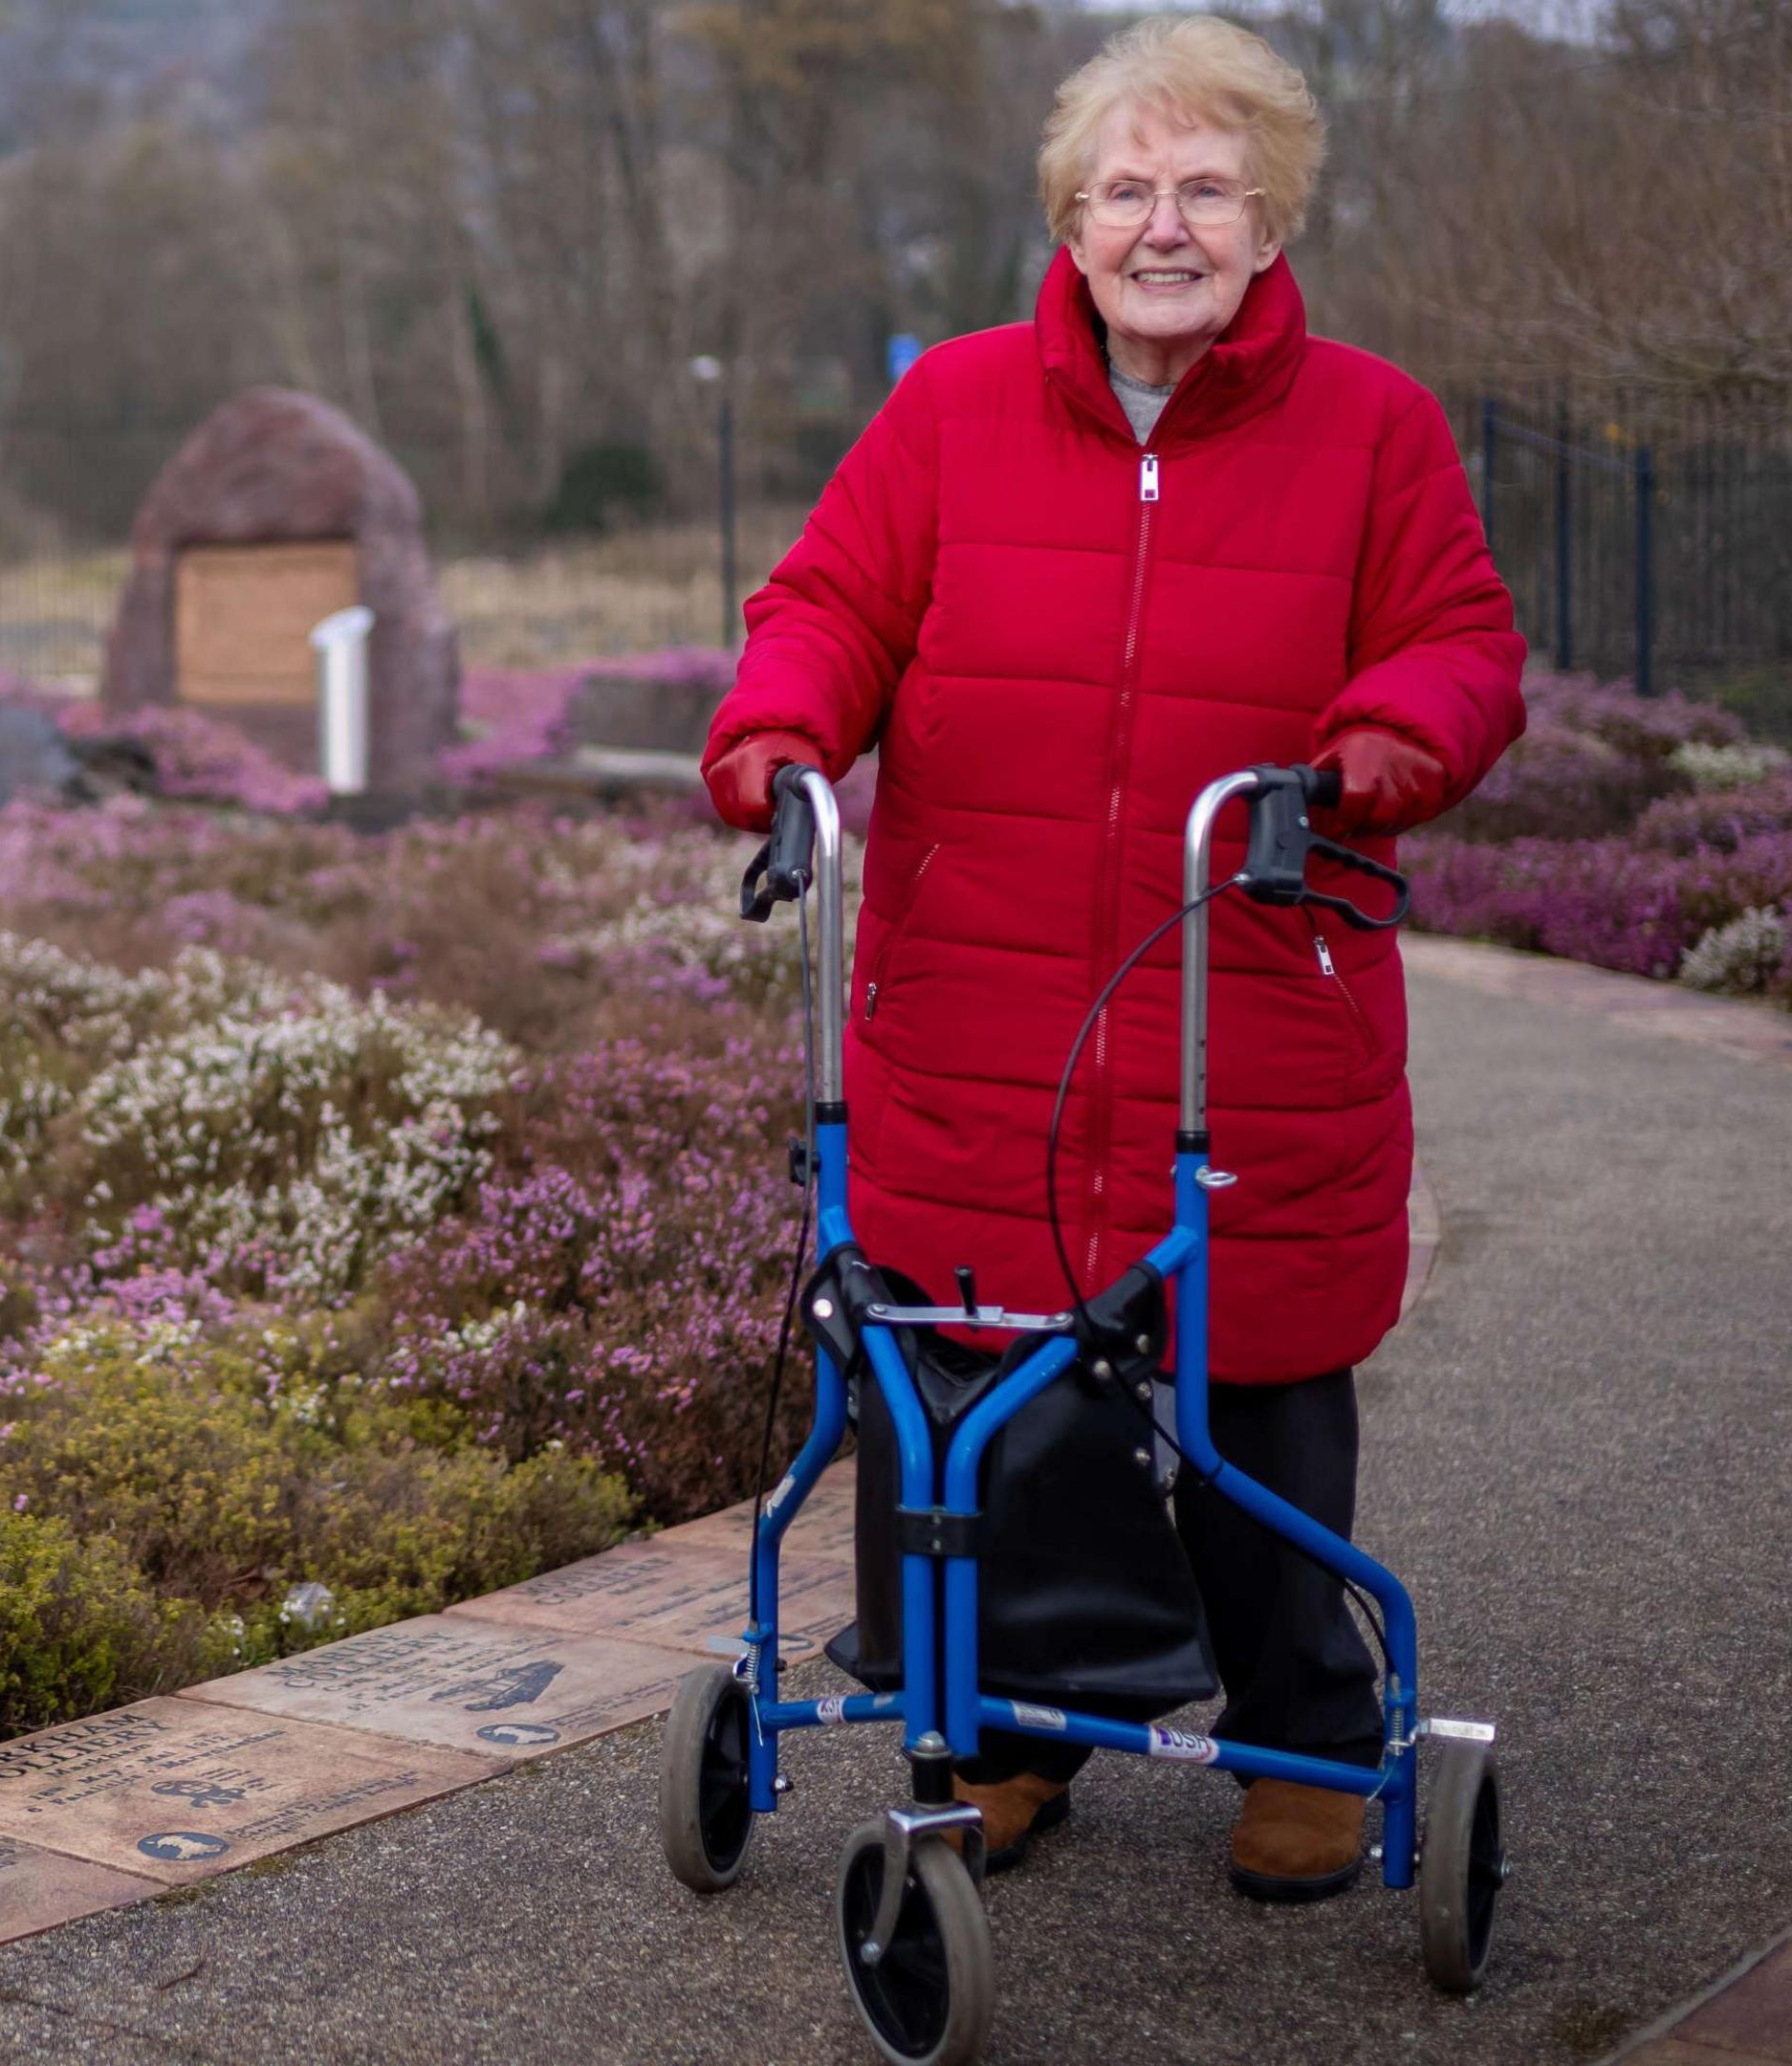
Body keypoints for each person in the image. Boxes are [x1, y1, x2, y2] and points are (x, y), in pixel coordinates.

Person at [699, 14, 1525, 1901]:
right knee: (973, 1380)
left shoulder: (1375, 426)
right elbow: (825, 606)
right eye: (1129, 187)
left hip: (1251, 995)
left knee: (1258, 1386)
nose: (1167, 222)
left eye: (1207, 186)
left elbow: (1462, 646)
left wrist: (1376, 750)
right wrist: (778, 743)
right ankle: (993, 1736)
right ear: (1071, 221)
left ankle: (1307, 1736)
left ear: (1269, 216)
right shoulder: (953, 410)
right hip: (975, 1008)